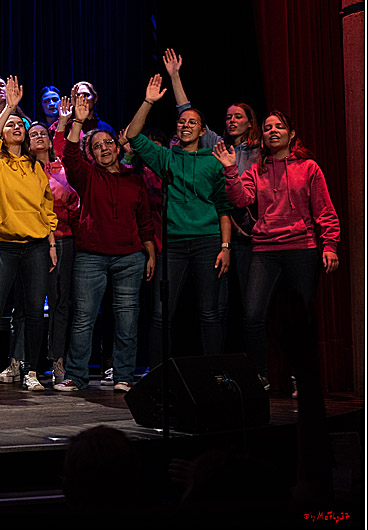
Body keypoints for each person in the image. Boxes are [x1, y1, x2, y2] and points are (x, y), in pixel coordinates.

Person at [211, 111, 340, 389]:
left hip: (301, 247)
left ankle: (300, 376)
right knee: (252, 315)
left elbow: (324, 210)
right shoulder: (257, 170)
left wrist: (330, 245)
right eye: (268, 127)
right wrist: (231, 170)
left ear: (291, 134)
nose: (272, 131)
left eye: (279, 127)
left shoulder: (308, 167)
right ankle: (260, 376)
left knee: (299, 316)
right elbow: (241, 199)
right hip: (265, 249)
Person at [126, 75, 231, 367]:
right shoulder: (165, 158)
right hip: (173, 245)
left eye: (192, 122)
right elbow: (133, 136)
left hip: (207, 243)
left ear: (202, 130)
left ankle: (213, 373)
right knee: (161, 314)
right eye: (182, 122)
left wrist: (225, 247)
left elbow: (223, 208)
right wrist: (148, 102)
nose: (185, 125)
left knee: (209, 312)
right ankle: (158, 374)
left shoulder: (213, 161)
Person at [161, 48, 261, 350]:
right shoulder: (217, 145)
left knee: (252, 306)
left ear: (250, 122)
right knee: (218, 305)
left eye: (238, 117)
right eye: (228, 117)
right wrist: (175, 76)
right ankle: (221, 363)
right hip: (222, 233)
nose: (231, 121)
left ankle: (255, 365)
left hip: (253, 236)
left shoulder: (260, 152)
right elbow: (186, 112)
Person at [56, 92, 155, 392]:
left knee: (127, 319)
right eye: (97, 146)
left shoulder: (134, 179)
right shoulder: (86, 176)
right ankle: (76, 376)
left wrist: (150, 254)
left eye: (108, 143)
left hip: (130, 257)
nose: (104, 148)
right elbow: (70, 155)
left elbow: (145, 222)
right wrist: (77, 121)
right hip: (91, 256)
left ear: (117, 146)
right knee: (84, 319)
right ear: (92, 155)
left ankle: (124, 376)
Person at [0, 77, 58, 392]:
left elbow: (47, 207)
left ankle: (31, 370)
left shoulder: (36, 167)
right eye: (10, 125)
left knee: (34, 311)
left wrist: (51, 244)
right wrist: (7, 110)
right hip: (3, 246)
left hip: (35, 246)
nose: (16, 127)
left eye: (20, 124)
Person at [30, 115, 80, 386]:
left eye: (42, 133)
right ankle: (25, 364)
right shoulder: (24, 167)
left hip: (63, 239)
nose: (39, 137)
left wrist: (62, 124)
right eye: (33, 134)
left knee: (60, 302)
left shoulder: (61, 165)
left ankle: (57, 361)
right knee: (30, 304)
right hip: (32, 240)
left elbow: (72, 197)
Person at [49, 81, 114, 138]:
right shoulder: (67, 125)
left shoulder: (105, 128)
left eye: (86, 95)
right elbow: (53, 137)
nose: (82, 99)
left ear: (95, 98)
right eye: (78, 96)